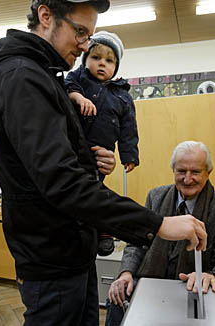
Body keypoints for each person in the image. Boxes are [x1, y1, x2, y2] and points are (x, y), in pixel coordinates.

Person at [0, 1, 207, 324]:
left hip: (71, 252)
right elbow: (62, 183)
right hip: (51, 258)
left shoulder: (45, 75)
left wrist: (93, 158)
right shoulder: (22, 78)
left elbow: (57, 162)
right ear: (45, 16)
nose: (85, 45)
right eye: (80, 32)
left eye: (90, 35)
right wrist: (158, 224)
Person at [105, 141, 215, 326]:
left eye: (195, 172)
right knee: (117, 295)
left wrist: (211, 276)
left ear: (208, 172)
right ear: (173, 171)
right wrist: (126, 273)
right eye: (181, 171)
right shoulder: (155, 197)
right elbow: (137, 243)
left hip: (191, 293)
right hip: (150, 284)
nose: (187, 179)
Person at [65, 30, 139, 256]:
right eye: (95, 58)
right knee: (83, 189)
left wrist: (129, 156)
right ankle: (97, 230)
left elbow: (129, 129)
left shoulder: (123, 96)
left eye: (109, 60)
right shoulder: (79, 79)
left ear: (116, 67)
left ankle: (103, 231)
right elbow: (67, 85)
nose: (101, 64)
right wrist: (78, 97)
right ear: (85, 59)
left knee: (94, 188)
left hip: (102, 152)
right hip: (77, 149)